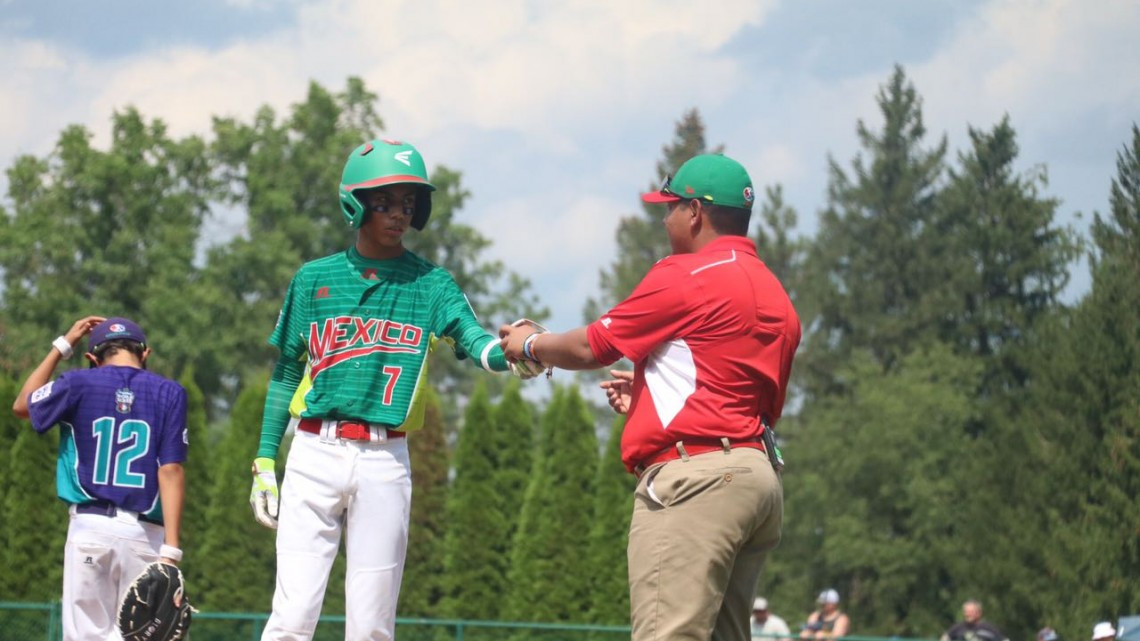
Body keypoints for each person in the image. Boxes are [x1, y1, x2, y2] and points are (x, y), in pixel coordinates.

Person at [499, 153, 801, 641]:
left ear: (695, 212)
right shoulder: (773, 292)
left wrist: (532, 344)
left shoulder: (689, 273)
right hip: (757, 478)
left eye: (670, 207)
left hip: (698, 482)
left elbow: (592, 347)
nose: (665, 219)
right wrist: (648, 396)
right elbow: (733, 388)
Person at [249, 138, 540, 641]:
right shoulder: (313, 279)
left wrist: (517, 352)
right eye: (384, 201)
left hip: (385, 459)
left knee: (372, 626)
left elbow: (475, 342)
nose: (399, 212)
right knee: (291, 618)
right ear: (355, 204)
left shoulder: (431, 284)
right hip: (314, 451)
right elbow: (286, 373)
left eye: (408, 201)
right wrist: (263, 458)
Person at [12, 316, 188, 641]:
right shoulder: (170, 392)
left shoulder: (77, 383)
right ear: (145, 353)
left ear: (92, 358)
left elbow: (23, 405)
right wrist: (171, 552)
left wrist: (64, 344)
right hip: (145, 535)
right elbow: (170, 470)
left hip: (90, 528)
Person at [941, 599, 1009, 641]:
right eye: (966, 612)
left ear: (979, 613)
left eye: (971, 612)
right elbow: (945, 637)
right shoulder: (958, 627)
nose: (967, 614)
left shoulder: (989, 628)